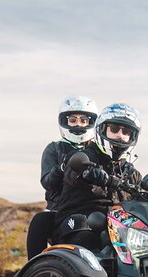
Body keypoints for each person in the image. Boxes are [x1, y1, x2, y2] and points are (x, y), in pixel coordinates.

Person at [53, 103, 143, 251]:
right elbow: (73, 171)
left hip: (114, 227)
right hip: (77, 225)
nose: (120, 135)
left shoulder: (130, 171)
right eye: (114, 129)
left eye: (126, 132)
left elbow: (142, 192)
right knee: (90, 239)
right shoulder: (85, 157)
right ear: (102, 130)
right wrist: (89, 173)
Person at [27, 96, 99, 259]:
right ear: (64, 121)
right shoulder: (54, 148)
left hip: (94, 207)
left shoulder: (98, 149)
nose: (79, 124)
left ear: (92, 122)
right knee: (40, 221)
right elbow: (47, 182)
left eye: (84, 120)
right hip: (60, 208)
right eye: (73, 120)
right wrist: (61, 168)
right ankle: (34, 272)